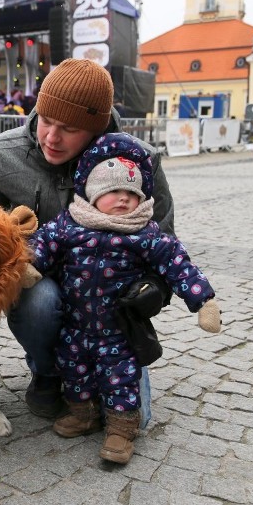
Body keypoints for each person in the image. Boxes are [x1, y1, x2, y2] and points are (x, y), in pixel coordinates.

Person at [0, 58, 175, 426]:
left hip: (107, 294)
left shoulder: (137, 161)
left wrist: (155, 288)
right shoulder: (3, 154)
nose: (51, 137)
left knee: (134, 421)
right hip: (37, 283)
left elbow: (165, 238)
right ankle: (48, 372)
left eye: (69, 128)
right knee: (43, 300)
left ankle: (97, 375)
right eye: (46, 120)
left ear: (95, 130)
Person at [31, 132, 221, 464]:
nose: (123, 199)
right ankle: (84, 414)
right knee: (75, 372)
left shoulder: (145, 233)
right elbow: (43, 243)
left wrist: (202, 300)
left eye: (131, 193)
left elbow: (177, 263)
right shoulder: (70, 223)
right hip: (75, 325)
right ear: (92, 193)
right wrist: (30, 267)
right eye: (113, 191)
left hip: (118, 330)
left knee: (120, 380)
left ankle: (121, 431)